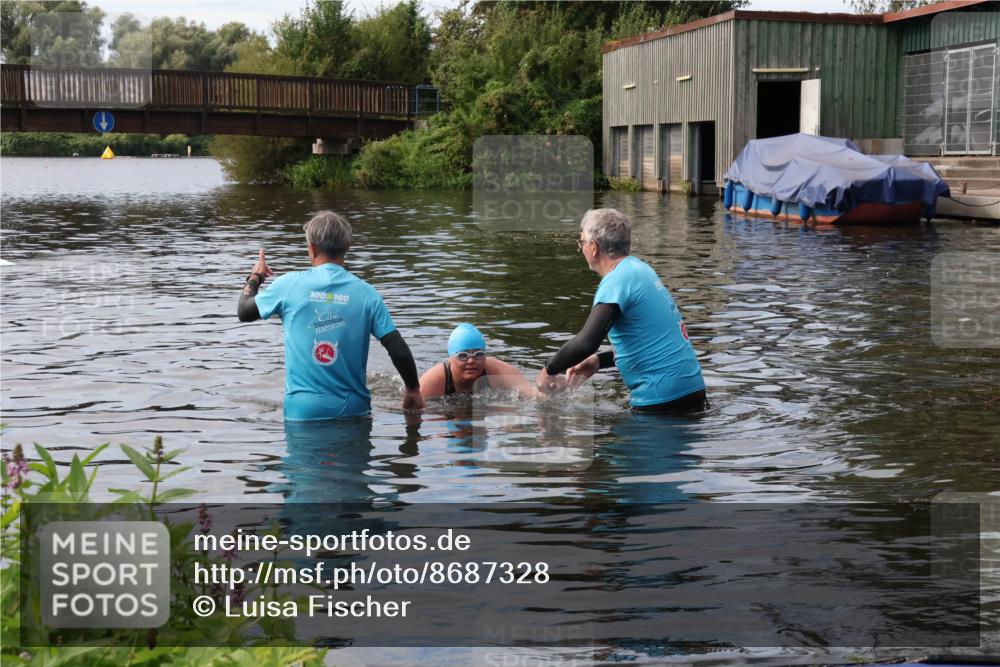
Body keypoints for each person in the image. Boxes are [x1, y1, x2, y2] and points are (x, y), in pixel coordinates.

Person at [237, 210, 424, 419]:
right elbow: (398, 349)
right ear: (347, 247)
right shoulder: (367, 294)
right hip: (354, 410)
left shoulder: (288, 285)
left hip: (303, 412)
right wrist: (413, 389)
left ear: (312, 249)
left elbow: (244, 311)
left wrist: (256, 276)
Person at [535, 208, 706, 414]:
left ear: (594, 247)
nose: (581, 248)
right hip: (691, 390)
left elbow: (586, 342)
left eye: (582, 242)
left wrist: (549, 369)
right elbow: (646, 341)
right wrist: (597, 362)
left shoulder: (616, 281)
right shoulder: (640, 269)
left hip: (662, 400)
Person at [419, 323, 537, 399]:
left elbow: (532, 395)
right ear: (451, 358)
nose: (471, 360)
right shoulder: (433, 381)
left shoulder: (497, 370)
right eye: (462, 355)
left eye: (478, 354)